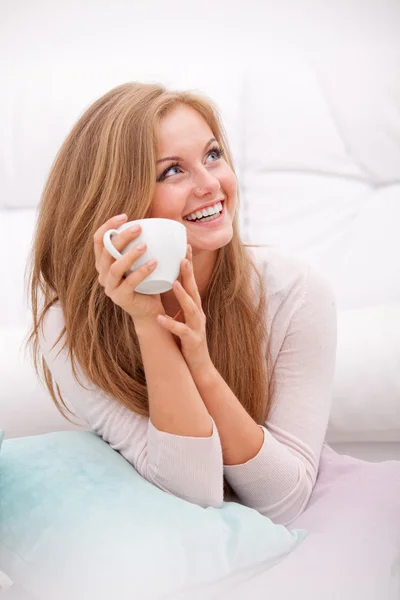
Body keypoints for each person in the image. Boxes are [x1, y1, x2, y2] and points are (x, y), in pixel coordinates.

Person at [25, 82, 337, 526]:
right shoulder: (69, 326)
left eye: (213, 155)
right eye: (172, 171)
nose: (211, 185)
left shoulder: (297, 291)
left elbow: (284, 500)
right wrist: (149, 323)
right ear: (118, 202)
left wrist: (202, 367)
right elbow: (194, 495)